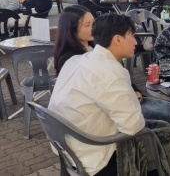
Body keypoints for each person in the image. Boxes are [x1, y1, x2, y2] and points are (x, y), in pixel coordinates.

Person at [53, 5, 170, 132]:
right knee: (169, 119)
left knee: (169, 111)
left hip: (84, 129)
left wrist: (134, 91)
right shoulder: (80, 60)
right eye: (88, 25)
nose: (136, 42)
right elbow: (133, 126)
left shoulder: (91, 54)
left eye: (93, 23)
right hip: (98, 138)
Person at [48, 13, 145, 175]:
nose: (136, 42)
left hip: (67, 150)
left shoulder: (76, 60)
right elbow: (133, 127)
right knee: (164, 137)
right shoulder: (111, 71)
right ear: (117, 39)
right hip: (97, 158)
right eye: (132, 36)